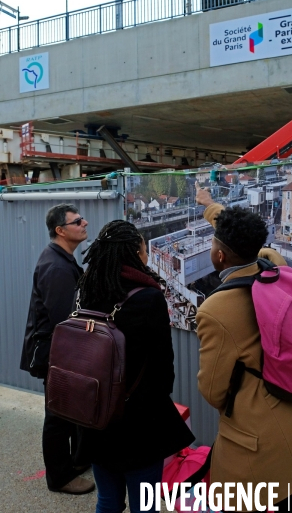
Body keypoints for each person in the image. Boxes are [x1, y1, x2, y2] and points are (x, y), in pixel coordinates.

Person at [195, 184, 292, 513]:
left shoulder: (216, 310)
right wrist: (210, 207)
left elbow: (212, 390)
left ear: (220, 255)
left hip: (262, 437)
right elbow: (240, 234)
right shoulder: (277, 268)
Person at [76, 220, 195, 513]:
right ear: (133, 253)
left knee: (107, 500)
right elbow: (163, 365)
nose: (146, 256)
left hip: (95, 412)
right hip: (139, 419)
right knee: (145, 505)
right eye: (144, 250)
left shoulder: (89, 287)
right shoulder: (148, 297)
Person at [20, 203, 94, 495]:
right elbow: (66, 318)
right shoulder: (55, 266)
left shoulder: (62, 258)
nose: (85, 223)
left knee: (69, 410)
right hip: (56, 352)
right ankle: (60, 477)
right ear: (61, 230)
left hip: (61, 350)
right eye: (78, 221)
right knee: (58, 415)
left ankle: (76, 462)